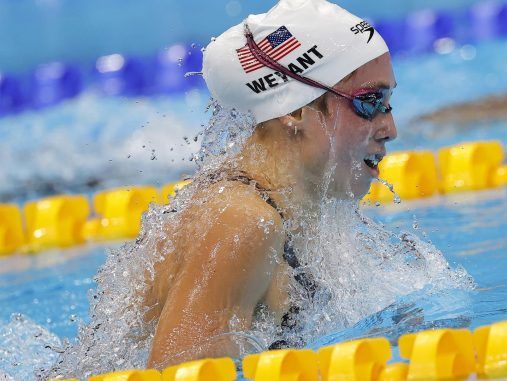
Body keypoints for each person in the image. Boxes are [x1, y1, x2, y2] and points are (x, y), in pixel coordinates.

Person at [143, 0, 398, 368]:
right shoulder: (241, 222)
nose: (390, 129)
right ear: (295, 111)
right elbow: (176, 376)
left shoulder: (293, 207)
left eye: (388, 102)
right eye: (370, 102)